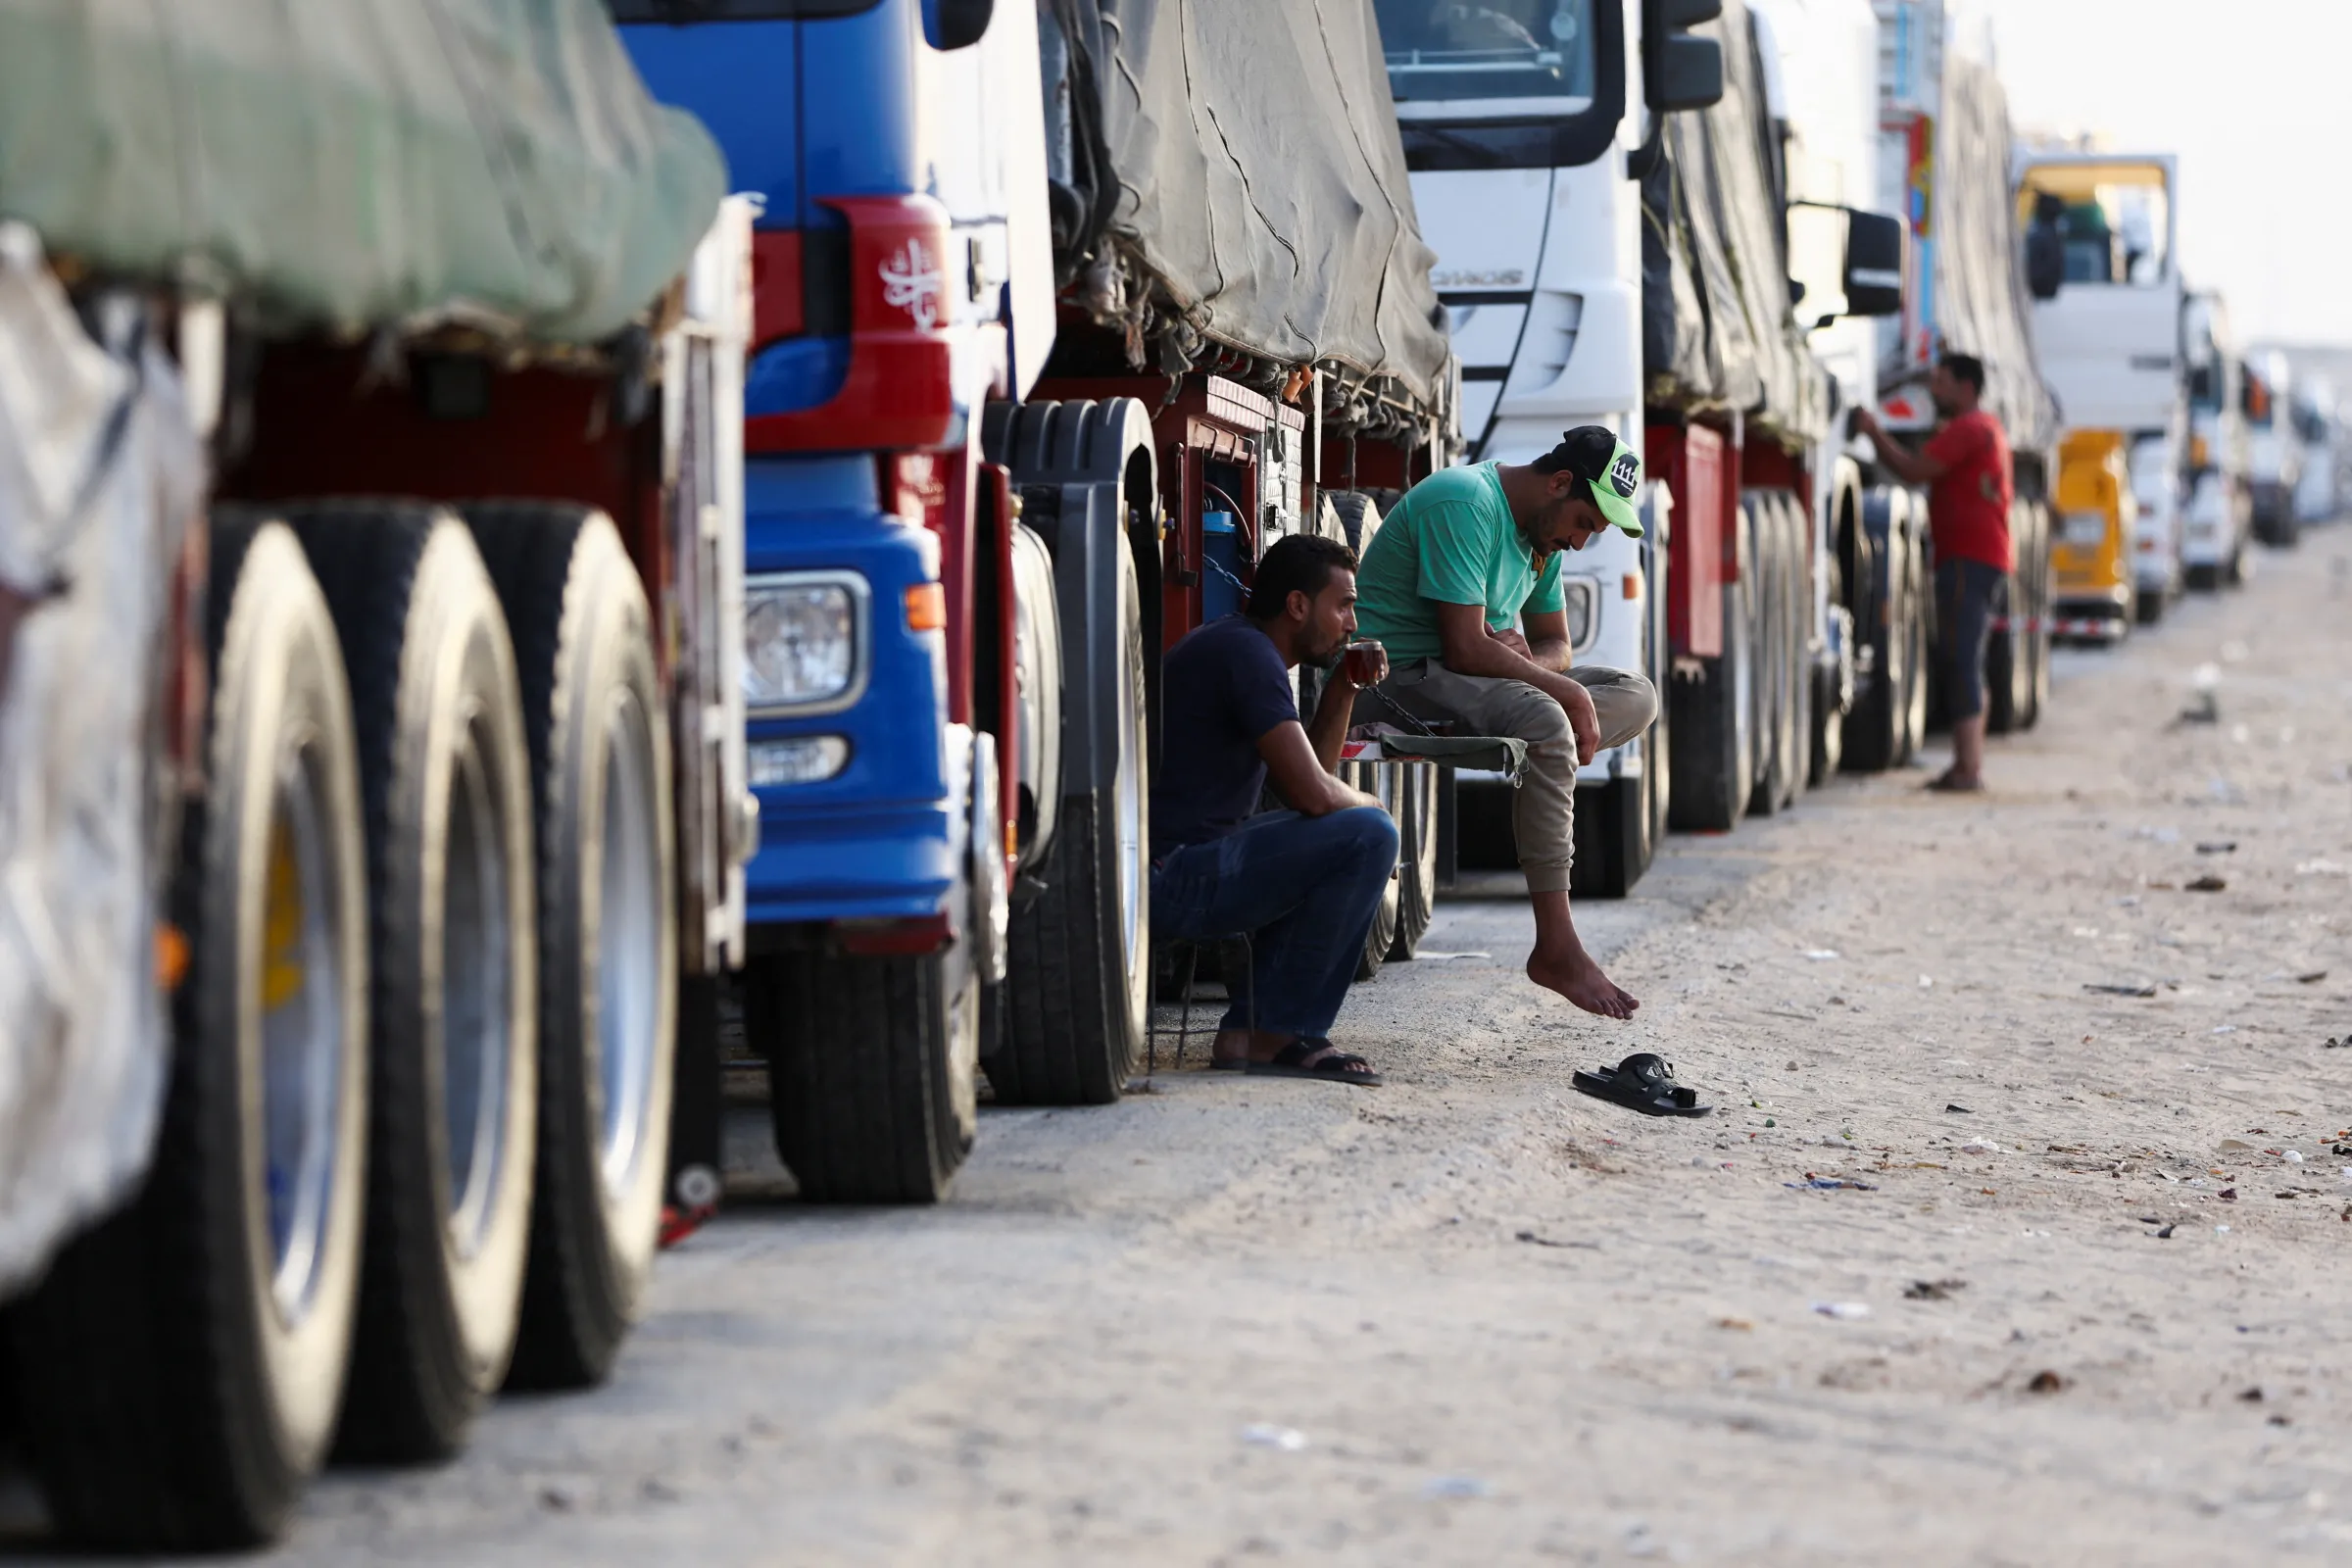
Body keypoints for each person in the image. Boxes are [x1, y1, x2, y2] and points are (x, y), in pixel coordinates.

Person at [1350, 426, 1659, 1021]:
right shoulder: (1466, 501)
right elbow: (1465, 648)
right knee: (1549, 716)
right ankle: (1556, 946)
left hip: (1481, 680)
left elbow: (1556, 644)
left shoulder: (1540, 535)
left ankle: (1548, 744)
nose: (1581, 541)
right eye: (1585, 522)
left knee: (1636, 694)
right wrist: (1552, 686)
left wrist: (1531, 666)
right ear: (1560, 483)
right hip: (1401, 678)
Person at [1150, 532, 1400, 1087]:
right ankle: (1278, 1030)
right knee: (1371, 834)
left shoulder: (1243, 645)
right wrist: (1372, 808)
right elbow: (1315, 795)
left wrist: (1342, 688)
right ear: (1297, 605)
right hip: (1171, 875)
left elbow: (1304, 792)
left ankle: (1254, 1032)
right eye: (1344, 605)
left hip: (1178, 866)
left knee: (1353, 831)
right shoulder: (1249, 655)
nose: (1352, 623)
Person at [1853, 352, 2014, 792]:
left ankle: (1968, 768)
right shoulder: (1987, 429)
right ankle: (1968, 763)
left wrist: (1873, 431)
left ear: (1965, 387)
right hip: (1982, 558)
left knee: (1962, 659)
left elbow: (1912, 470)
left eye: (1941, 382)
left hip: (1968, 559)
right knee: (1968, 659)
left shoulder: (1968, 431)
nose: (1933, 390)